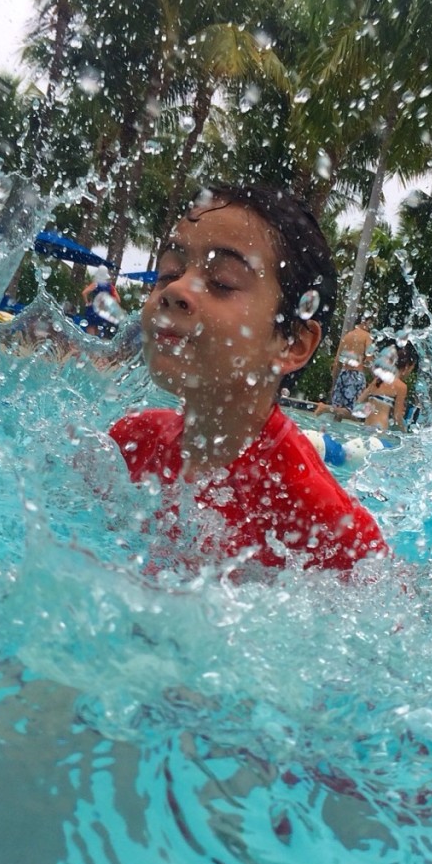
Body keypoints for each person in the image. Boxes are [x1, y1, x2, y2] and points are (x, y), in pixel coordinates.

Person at [109, 184, 386, 574]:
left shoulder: (328, 525)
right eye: (169, 271)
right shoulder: (130, 442)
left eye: (221, 281)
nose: (174, 290)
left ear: (292, 343)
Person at [315, 345, 416, 431]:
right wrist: (406, 432)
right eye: (411, 369)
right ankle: (327, 409)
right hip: (380, 432)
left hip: (366, 428)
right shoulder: (402, 386)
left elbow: (358, 402)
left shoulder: (377, 380)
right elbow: (397, 417)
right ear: (407, 367)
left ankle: (328, 409)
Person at [328, 316, 372, 411]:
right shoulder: (367, 336)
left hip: (343, 374)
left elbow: (337, 361)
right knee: (353, 411)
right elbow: (369, 359)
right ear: (364, 322)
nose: (370, 327)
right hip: (357, 376)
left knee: (336, 409)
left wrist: (334, 383)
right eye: (370, 324)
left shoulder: (347, 336)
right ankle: (324, 409)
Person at [80, 265, 120, 337]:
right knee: (97, 334)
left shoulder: (95, 284)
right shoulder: (110, 286)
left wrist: (87, 303)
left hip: (93, 310)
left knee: (90, 334)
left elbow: (84, 293)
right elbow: (118, 300)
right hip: (102, 310)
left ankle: (90, 347)